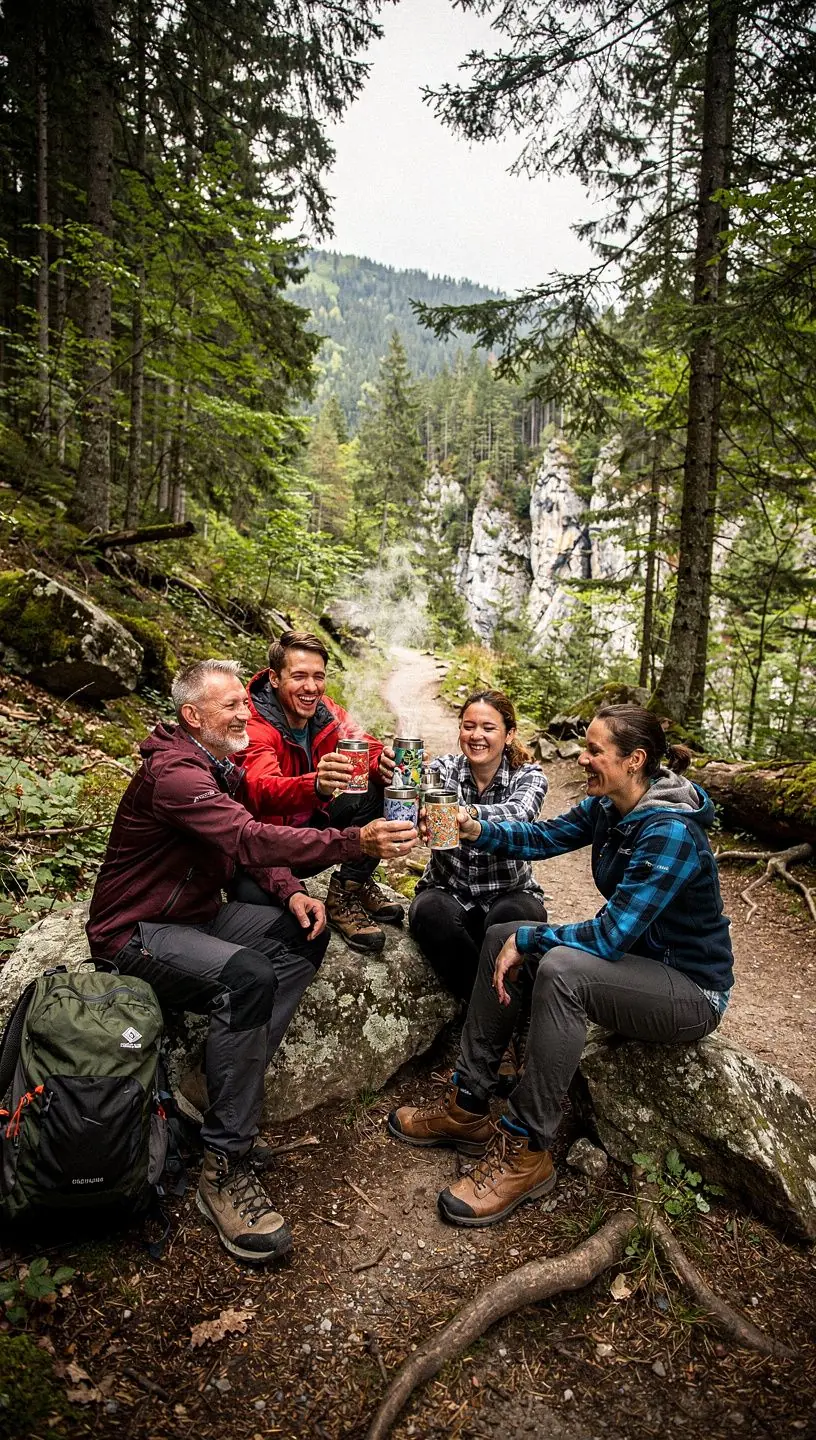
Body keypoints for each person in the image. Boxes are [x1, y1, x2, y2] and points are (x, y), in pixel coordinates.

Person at [87, 659, 416, 1266]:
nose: (248, 712)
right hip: (135, 933)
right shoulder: (175, 775)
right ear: (193, 717)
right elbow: (244, 836)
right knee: (248, 977)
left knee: (302, 934)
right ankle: (225, 1159)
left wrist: (289, 890)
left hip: (192, 917)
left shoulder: (216, 763)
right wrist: (353, 842)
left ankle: (216, 1086)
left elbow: (246, 845)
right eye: (233, 706)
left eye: (246, 702)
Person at [389, 704, 734, 1228]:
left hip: (689, 991)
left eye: (594, 750)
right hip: (639, 967)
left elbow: (610, 935)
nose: (582, 757)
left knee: (560, 969)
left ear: (634, 759)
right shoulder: (611, 808)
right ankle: (467, 1102)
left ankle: (528, 1147)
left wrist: (533, 938)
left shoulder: (670, 832)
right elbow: (544, 837)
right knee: (503, 935)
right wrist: (474, 826)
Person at [242, 631, 401, 955]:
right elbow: (260, 789)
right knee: (257, 902)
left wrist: (382, 760)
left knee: (378, 787)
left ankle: (348, 890)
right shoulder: (255, 726)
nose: (311, 687)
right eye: (299, 676)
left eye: (318, 676)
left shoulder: (324, 710)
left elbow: (362, 743)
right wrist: (315, 784)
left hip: (316, 832)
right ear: (274, 677)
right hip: (270, 846)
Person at [409, 689, 549, 1002]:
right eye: (468, 726)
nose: (476, 736)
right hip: (448, 890)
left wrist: (469, 814)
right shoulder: (445, 770)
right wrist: (409, 789)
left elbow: (520, 813)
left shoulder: (528, 776)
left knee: (512, 921)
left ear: (509, 734)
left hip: (510, 893)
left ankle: (492, 1016)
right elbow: (419, 787)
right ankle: (494, 1011)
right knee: (428, 914)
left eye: (488, 728)